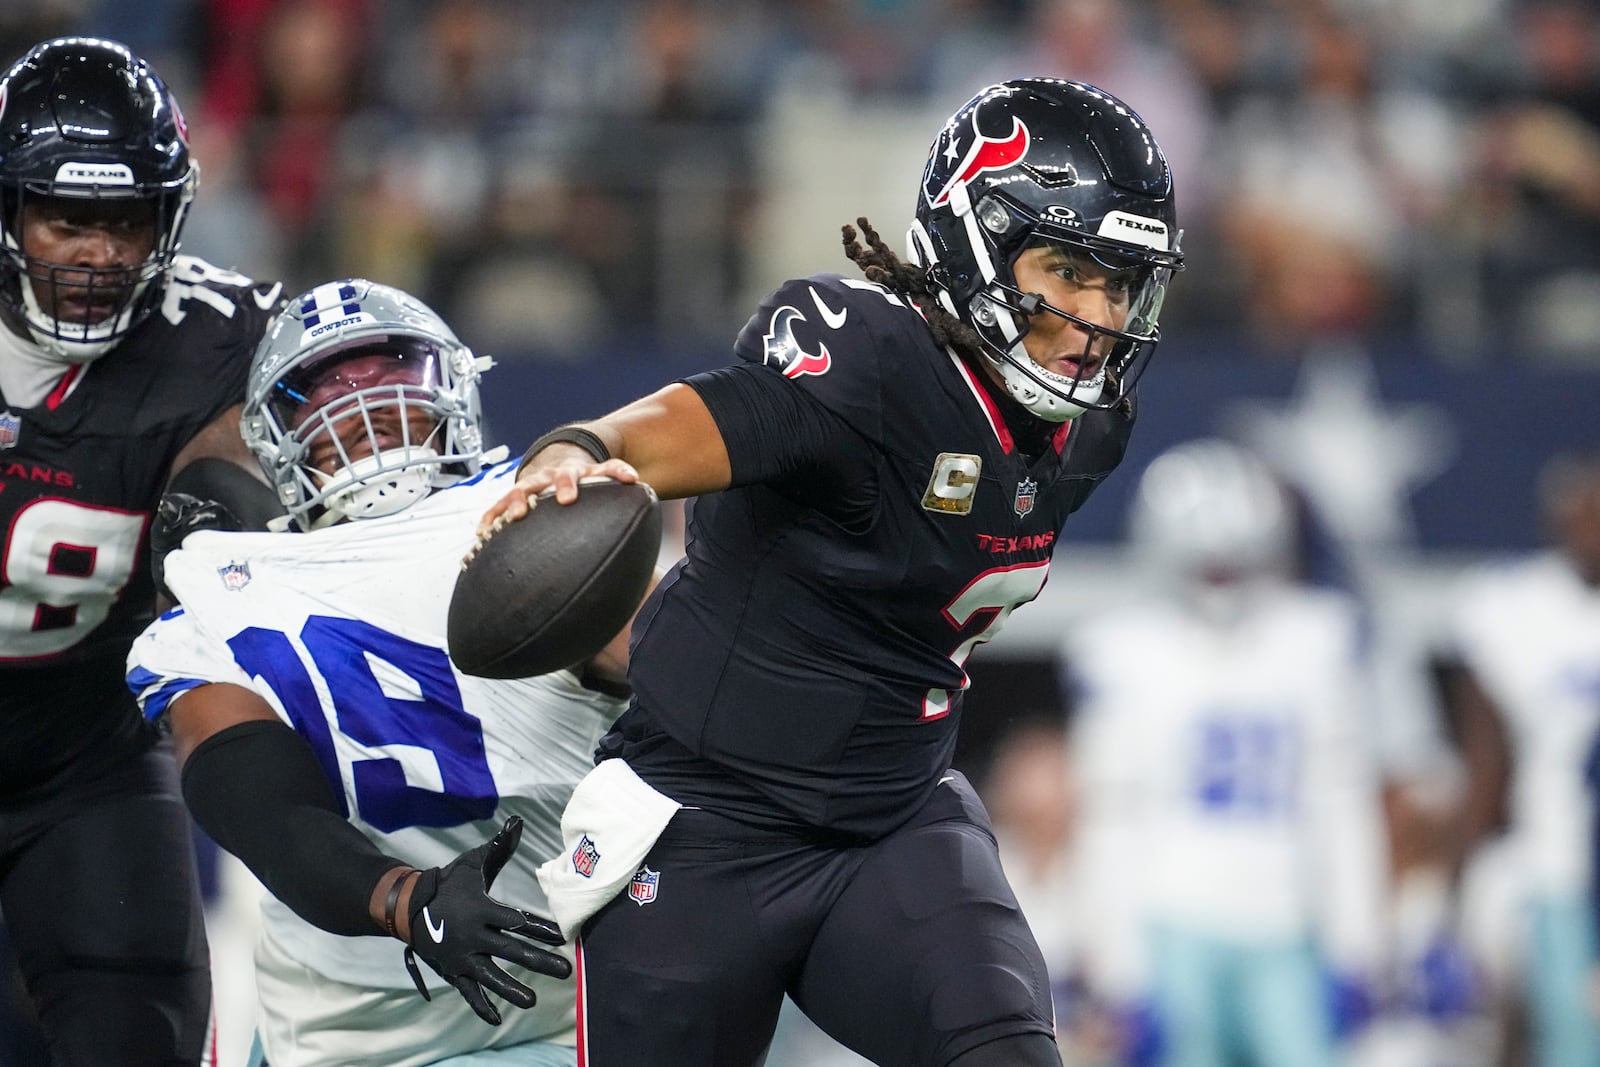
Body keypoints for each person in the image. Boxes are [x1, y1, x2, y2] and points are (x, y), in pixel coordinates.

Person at [482, 77, 1185, 1066]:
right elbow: (688, 426)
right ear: (973, 243)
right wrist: (577, 451)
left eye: (1118, 282)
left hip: (889, 822)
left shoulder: (1091, 425)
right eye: (1067, 269)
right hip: (701, 822)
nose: (1095, 315)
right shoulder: (868, 357)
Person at [127, 278, 642, 1067]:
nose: (360, 404)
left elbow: (678, 673)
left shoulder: (536, 509)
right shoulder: (227, 575)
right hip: (348, 1009)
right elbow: (259, 807)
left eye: (389, 370)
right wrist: (405, 897)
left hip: (570, 987)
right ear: (274, 438)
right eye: (326, 386)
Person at [0, 36, 285, 1066]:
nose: (97, 254)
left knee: (142, 1032)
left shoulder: (217, 343)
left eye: (123, 223)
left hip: (86, 753)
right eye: (66, 218)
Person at [1062, 438, 1390, 1067]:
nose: (1218, 574)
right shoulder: (1125, 652)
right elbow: (1111, 819)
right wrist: (1118, 966)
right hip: (1173, 916)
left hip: (1288, 917)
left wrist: (1358, 945)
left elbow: (1341, 802)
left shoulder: (1313, 640)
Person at [1442, 449, 1600, 1067]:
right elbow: (1487, 764)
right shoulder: (1512, 607)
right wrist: (1456, 889)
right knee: (1538, 1031)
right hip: (1548, 862)